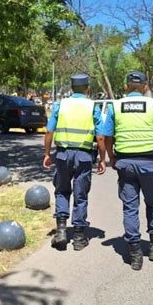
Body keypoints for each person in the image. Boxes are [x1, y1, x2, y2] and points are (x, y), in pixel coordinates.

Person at [97, 71, 153, 271]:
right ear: (144, 86)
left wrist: (111, 157)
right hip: (150, 163)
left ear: (126, 87)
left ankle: (134, 254)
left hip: (125, 163)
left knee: (130, 207)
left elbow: (106, 137)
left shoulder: (116, 106)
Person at [43, 73, 106, 251]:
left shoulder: (60, 104)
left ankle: (61, 231)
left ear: (71, 88)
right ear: (87, 88)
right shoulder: (92, 106)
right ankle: (79, 236)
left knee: (62, 190)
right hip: (84, 156)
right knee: (81, 194)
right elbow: (100, 137)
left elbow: (49, 132)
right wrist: (103, 159)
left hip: (62, 154)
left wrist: (47, 154)